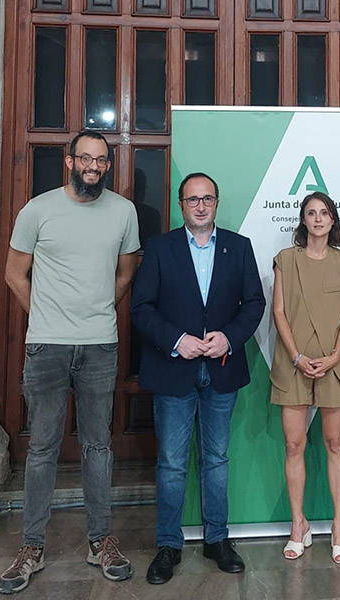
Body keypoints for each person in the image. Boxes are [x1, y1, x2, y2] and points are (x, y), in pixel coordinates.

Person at [0, 130, 140, 593]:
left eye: (101, 160)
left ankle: (100, 540)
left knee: (98, 446)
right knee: (42, 448)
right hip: (46, 347)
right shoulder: (37, 210)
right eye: (86, 158)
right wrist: (44, 313)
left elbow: (126, 269)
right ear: (69, 161)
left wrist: (100, 306)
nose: (94, 167)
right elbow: (14, 273)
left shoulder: (123, 211)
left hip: (99, 344)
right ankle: (32, 547)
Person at [130, 172, 266, 585]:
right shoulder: (159, 248)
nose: (201, 206)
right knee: (172, 463)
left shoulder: (239, 248)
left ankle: (217, 541)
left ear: (217, 203)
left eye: (208, 199)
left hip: (221, 372)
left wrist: (229, 337)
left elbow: (255, 303)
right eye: (193, 200)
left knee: (216, 460)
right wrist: (176, 340)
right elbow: (141, 309)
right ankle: (168, 545)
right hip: (174, 369)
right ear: (181, 205)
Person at [269, 192, 340, 565]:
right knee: (294, 445)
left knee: (335, 443)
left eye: (324, 213)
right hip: (293, 363)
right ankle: (298, 525)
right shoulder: (285, 261)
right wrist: (298, 356)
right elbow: (278, 311)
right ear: (302, 220)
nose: (318, 219)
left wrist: (336, 355)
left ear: (333, 220)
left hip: (334, 364)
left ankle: (338, 528)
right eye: (311, 213)